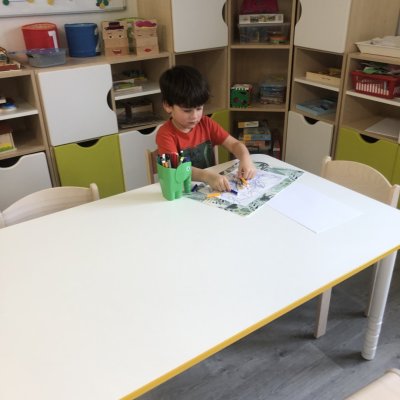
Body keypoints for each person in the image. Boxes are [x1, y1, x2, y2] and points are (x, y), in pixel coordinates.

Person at [156, 65, 256, 192]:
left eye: (199, 108)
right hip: (182, 190)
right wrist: (206, 176)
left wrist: (245, 159)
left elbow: (235, 144)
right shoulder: (165, 134)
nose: (195, 116)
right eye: (187, 110)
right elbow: (176, 168)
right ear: (168, 106)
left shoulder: (206, 123)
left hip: (210, 188)